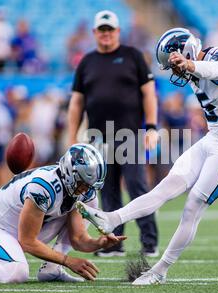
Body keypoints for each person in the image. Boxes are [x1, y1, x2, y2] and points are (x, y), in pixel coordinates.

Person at [77, 27, 218, 285]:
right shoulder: (194, 72)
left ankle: (159, 271)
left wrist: (191, 64)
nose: (176, 72)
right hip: (213, 138)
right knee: (165, 187)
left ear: (186, 51)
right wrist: (190, 65)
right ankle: (111, 218)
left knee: (193, 204)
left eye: (175, 65)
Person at [0, 143, 126, 283]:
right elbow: (27, 241)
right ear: (70, 173)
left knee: (80, 206)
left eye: (90, 186)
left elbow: (78, 239)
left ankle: (51, 270)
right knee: (17, 273)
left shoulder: (83, 193)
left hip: (24, 229)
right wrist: (68, 260)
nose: (87, 190)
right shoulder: (43, 187)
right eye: (84, 184)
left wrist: (99, 243)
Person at [67, 10, 159, 257]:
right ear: (95, 33)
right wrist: (71, 137)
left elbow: (149, 93)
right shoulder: (87, 62)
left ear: (118, 31)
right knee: (107, 191)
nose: (106, 34)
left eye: (110, 30)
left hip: (130, 135)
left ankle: (149, 242)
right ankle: (114, 243)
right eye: (102, 30)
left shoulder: (133, 56)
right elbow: (76, 102)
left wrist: (151, 127)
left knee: (137, 187)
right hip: (98, 137)